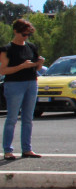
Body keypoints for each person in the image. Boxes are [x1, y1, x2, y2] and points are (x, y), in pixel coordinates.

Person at [2, 18, 45, 160]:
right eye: (23, 34)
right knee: (12, 118)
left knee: (28, 118)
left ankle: (27, 149)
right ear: (15, 31)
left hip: (31, 82)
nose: (25, 37)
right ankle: (8, 150)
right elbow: (3, 71)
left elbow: (37, 68)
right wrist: (21, 66)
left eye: (28, 35)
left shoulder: (31, 47)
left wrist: (39, 63)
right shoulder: (7, 49)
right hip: (14, 84)